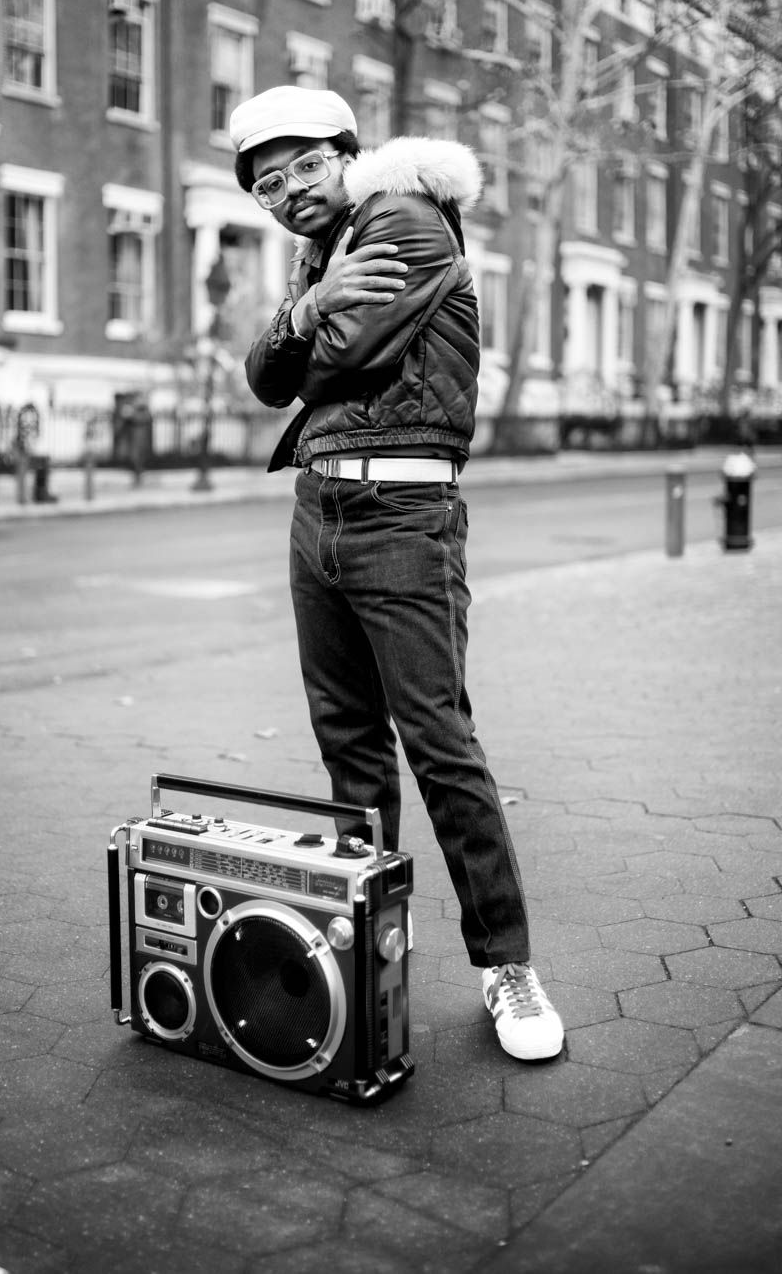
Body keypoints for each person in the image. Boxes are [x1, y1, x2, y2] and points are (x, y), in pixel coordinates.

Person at [231, 85, 563, 1062]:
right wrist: (308, 305)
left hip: (405, 517)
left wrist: (307, 322)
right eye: (267, 185)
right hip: (320, 511)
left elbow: (328, 359)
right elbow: (263, 377)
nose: (289, 191)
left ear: (346, 153)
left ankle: (507, 965)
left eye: (304, 167)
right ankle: (373, 921)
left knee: (438, 741)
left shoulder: (405, 218)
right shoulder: (324, 255)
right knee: (348, 741)